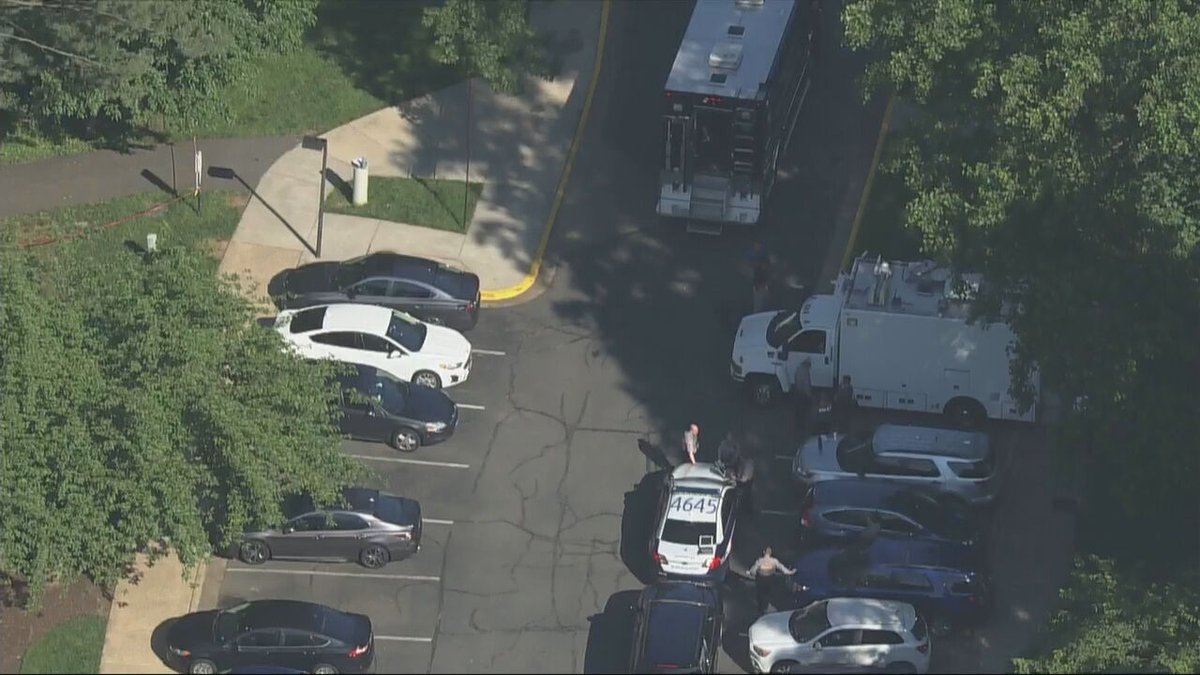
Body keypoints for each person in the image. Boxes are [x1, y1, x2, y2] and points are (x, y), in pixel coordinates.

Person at [748, 546, 796, 615]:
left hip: (761, 580)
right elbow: (783, 569)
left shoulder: (760, 561)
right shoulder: (774, 561)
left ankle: (760, 608)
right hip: (769, 580)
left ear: (764, 552)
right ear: (770, 553)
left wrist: (751, 573)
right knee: (767, 594)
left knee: (760, 594)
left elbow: (753, 571)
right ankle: (764, 607)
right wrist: (791, 572)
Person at [792, 358, 813, 432]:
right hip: (803, 395)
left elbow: (795, 379)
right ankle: (801, 429)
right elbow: (806, 385)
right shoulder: (805, 371)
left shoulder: (798, 368)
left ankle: (796, 428)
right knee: (802, 413)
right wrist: (810, 396)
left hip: (797, 392)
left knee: (797, 412)